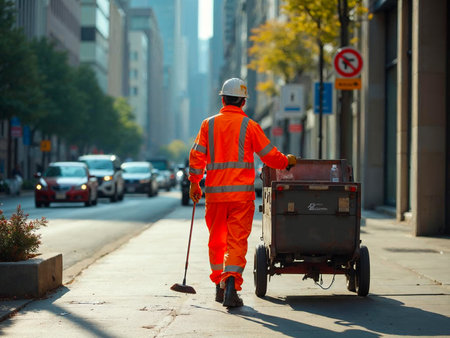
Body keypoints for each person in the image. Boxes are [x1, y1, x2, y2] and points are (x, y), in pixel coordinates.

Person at [188, 78, 296, 307]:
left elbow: (197, 155)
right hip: (241, 198)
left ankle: (219, 284)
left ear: (222, 99)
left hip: (215, 197)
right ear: (243, 101)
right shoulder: (249, 126)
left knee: (217, 241)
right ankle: (230, 284)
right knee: (236, 241)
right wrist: (286, 161)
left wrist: (194, 183)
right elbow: (268, 154)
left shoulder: (208, 124)